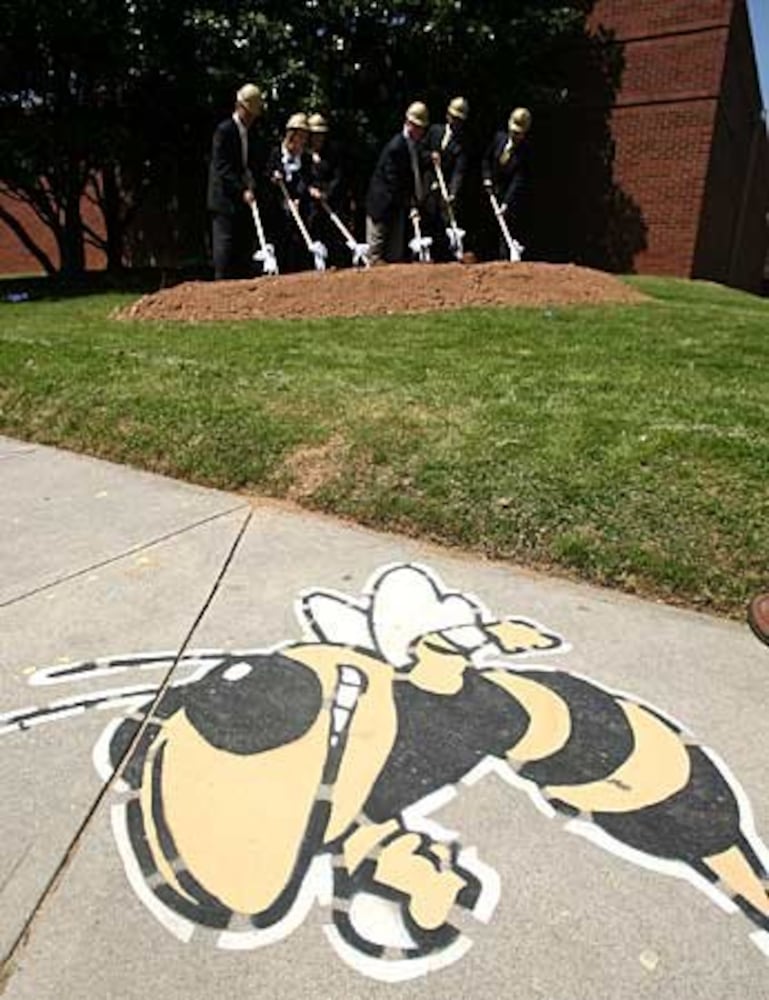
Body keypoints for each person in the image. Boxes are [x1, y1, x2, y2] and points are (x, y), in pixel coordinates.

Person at [207, 83, 266, 280]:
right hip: (224, 200)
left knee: (243, 250)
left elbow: (251, 163)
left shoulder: (252, 134)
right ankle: (221, 289)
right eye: (248, 112)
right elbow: (222, 167)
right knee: (225, 248)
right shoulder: (224, 131)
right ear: (239, 107)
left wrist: (253, 181)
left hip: (243, 201)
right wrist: (241, 189)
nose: (251, 118)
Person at [365, 101, 431, 264]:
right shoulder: (396, 147)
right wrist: (410, 202)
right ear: (409, 124)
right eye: (418, 127)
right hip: (383, 206)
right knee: (376, 253)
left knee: (395, 255)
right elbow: (393, 180)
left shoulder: (413, 145)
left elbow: (415, 166)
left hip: (397, 206)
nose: (421, 132)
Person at [482, 106, 532, 260]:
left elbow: (518, 180)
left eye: (519, 133)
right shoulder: (499, 138)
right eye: (514, 131)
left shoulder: (525, 153)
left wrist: (506, 203)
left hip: (509, 198)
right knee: (487, 230)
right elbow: (486, 160)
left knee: (505, 234)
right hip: (491, 192)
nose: (515, 135)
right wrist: (487, 177)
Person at [424, 96, 470, 262]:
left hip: (445, 191)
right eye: (454, 118)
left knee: (444, 225)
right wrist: (430, 156)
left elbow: (459, 171)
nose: (455, 122)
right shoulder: (434, 131)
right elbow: (420, 152)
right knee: (427, 222)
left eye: (459, 120)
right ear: (448, 116)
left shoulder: (462, 144)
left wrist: (452, 193)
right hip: (427, 187)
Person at [267, 113, 314, 272]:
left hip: (299, 209)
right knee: (280, 243)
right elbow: (265, 177)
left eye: (304, 138)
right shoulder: (274, 154)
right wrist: (273, 179)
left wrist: (298, 199)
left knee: (298, 247)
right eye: (300, 136)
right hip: (277, 210)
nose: (302, 141)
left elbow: (305, 180)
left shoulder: (305, 159)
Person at [306, 112, 348, 267]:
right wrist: (310, 190)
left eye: (321, 135)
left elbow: (338, 177)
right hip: (310, 207)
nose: (319, 139)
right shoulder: (304, 155)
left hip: (330, 203)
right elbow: (302, 178)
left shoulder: (332, 153)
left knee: (334, 240)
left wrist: (326, 193)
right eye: (315, 135)